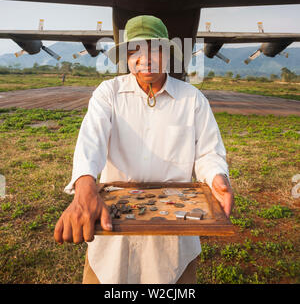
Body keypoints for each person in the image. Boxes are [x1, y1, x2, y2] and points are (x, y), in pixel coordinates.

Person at [54, 15, 233, 284]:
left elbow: (208, 152)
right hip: (113, 233)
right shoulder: (109, 93)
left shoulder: (192, 98)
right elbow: (91, 139)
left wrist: (217, 177)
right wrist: (83, 185)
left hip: (174, 234)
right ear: (126, 56)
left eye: (155, 50)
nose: (145, 58)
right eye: (135, 50)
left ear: (168, 54)